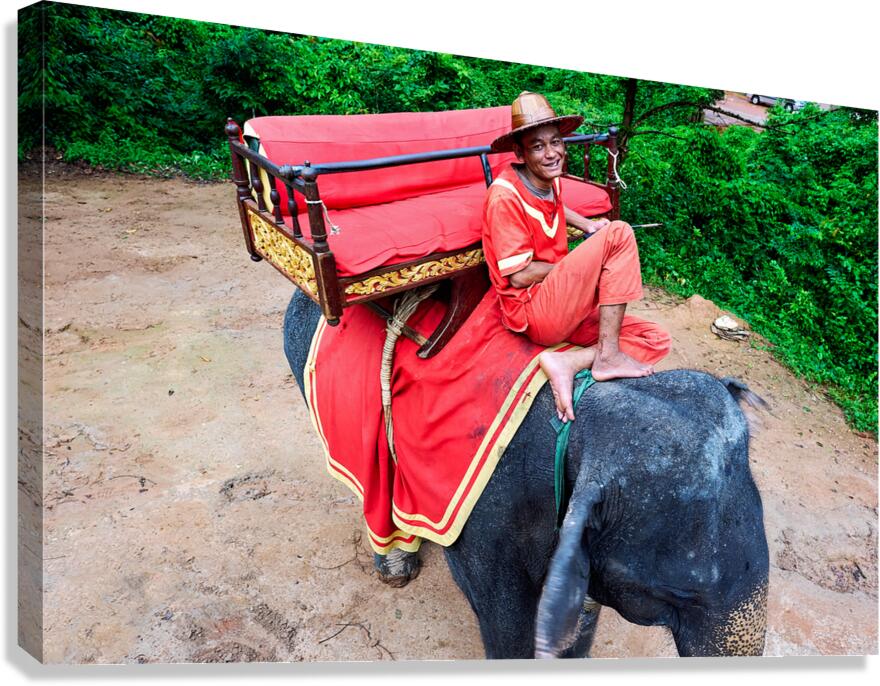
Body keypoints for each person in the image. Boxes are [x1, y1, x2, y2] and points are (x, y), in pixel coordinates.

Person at [481, 91, 671, 423]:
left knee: (655, 338)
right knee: (619, 233)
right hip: (534, 309)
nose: (551, 153)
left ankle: (572, 361)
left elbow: (555, 205)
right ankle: (607, 357)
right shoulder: (504, 197)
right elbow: (519, 275)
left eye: (555, 142)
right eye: (538, 146)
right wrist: (578, 271)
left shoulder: (547, 178)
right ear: (520, 153)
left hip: (562, 302)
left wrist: (587, 224)